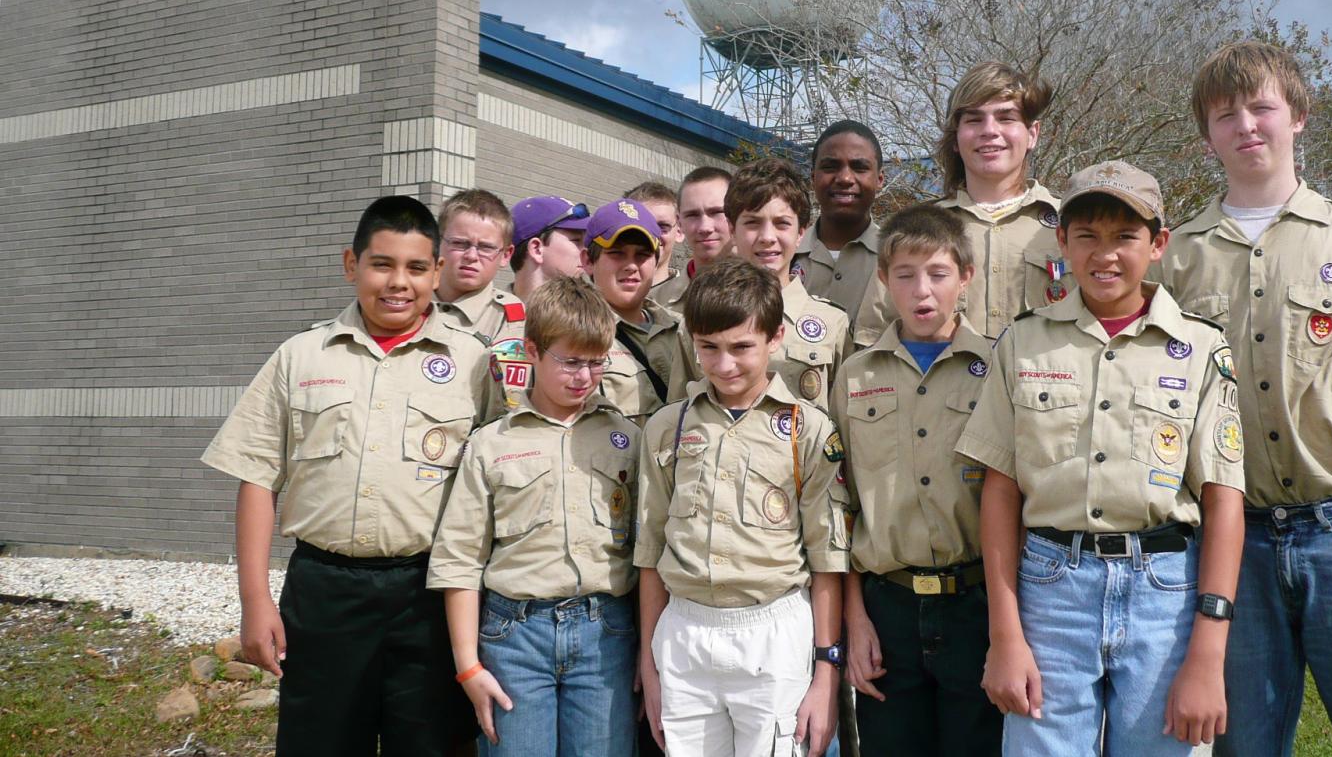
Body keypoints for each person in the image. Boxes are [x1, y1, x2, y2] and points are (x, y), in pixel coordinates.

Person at [1154, 40, 1332, 757]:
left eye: (1262, 106)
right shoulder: (1177, 258)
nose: (1246, 125)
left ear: (1299, 117)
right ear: (1207, 135)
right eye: (1225, 115)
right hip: (1234, 543)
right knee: (1243, 745)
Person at [957, 161, 1246, 754]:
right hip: (1051, 589)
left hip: (1163, 593)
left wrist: (1208, 654)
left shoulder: (1199, 349)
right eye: (1087, 235)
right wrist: (1005, 634)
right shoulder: (1024, 342)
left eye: (1125, 236)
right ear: (1061, 242)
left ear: (1158, 244)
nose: (1105, 254)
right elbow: (1001, 489)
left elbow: (1223, 500)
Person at [201, 195, 496, 756]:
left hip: (429, 594)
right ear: (350, 265)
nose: (397, 283)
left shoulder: (473, 361)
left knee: (431, 744)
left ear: (437, 272)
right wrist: (254, 601)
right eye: (381, 264)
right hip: (325, 593)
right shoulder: (301, 356)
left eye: (415, 268)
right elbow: (257, 478)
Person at [636, 259, 851, 757]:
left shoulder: (808, 430)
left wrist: (825, 671)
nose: (724, 364)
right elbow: (649, 551)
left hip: (773, 632)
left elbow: (826, 561)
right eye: (708, 348)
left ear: (775, 339)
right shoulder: (667, 427)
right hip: (684, 633)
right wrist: (649, 663)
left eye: (741, 347)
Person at [428, 276, 642, 757]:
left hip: (606, 633)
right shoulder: (491, 444)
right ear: (532, 352)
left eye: (595, 362)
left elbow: (645, 551)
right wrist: (468, 665)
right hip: (515, 637)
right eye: (569, 361)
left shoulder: (627, 439)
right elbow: (459, 558)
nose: (583, 376)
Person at [830, 204, 1001, 756]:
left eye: (938, 274)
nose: (921, 291)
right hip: (887, 610)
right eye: (904, 275)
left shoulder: (998, 368)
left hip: (976, 606)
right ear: (884, 279)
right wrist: (855, 622)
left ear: (966, 277)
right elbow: (843, 503)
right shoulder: (855, 376)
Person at [679, 158, 852, 410]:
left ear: (801, 232)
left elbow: (841, 419)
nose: (767, 238)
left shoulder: (832, 323)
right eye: (752, 222)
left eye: (782, 223)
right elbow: (680, 417)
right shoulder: (699, 318)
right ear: (732, 228)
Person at [934, 62, 1061, 339]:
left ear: (1032, 134)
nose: (989, 130)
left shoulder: (1074, 225)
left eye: (1006, 118)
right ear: (955, 137)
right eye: (974, 119)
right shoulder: (919, 228)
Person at [582, 198, 687, 425]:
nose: (631, 265)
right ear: (588, 261)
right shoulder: (572, 334)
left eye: (642, 255)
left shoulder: (683, 330)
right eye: (617, 253)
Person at [794, 120, 897, 349]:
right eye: (831, 166)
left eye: (859, 167)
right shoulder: (782, 256)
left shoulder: (899, 260)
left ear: (880, 179)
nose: (845, 178)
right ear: (813, 178)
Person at [434, 188, 525, 344]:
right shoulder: (408, 301)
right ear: (436, 243)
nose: (471, 256)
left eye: (486, 247)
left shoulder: (509, 319)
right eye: (459, 243)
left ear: (505, 255)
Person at [667, 166, 733, 316]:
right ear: (679, 222)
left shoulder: (769, 298)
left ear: (737, 213)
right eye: (692, 215)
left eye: (717, 212)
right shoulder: (654, 304)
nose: (705, 227)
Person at [508, 196, 590, 302]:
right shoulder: (487, 316)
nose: (586, 252)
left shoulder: (596, 317)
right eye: (576, 240)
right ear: (536, 249)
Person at [626, 181, 688, 308]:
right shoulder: (597, 300)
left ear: (680, 231)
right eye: (640, 226)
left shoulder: (693, 302)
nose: (651, 235)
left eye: (662, 227)